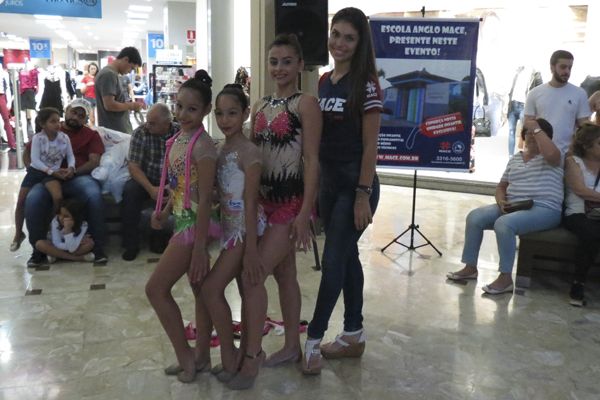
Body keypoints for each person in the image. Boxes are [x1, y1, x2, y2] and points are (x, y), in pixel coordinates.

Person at [229, 33, 321, 390]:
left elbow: (312, 160)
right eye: (273, 61)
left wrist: (305, 213)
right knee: (284, 275)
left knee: (253, 276)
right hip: (263, 203)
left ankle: (252, 354)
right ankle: (292, 347)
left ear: (300, 65)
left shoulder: (306, 104)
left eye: (286, 61)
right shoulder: (260, 105)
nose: (279, 68)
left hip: (290, 204)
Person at [302, 7, 383, 376]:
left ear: (360, 42)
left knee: (333, 261)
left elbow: (370, 147)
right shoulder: (323, 81)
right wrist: (316, 192)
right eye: (336, 34)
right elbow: (318, 144)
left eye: (349, 37)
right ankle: (354, 334)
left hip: (356, 184)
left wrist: (363, 196)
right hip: (330, 184)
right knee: (346, 257)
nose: (340, 43)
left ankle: (313, 340)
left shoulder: (366, 83)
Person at [145, 70, 220, 384]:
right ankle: (201, 357)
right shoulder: (177, 140)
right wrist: (163, 210)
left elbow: (204, 200)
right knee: (199, 290)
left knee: (155, 289)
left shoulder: (203, 147)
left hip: (194, 227)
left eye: (192, 108)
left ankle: (186, 357)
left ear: (205, 111)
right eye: (179, 106)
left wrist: (200, 246)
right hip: (182, 219)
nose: (182, 114)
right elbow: (179, 187)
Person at [447, 119, 564, 292]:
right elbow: (501, 187)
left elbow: (552, 156)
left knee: (504, 224)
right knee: (475, 217)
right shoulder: (515, 159)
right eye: (529, 133)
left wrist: (537, 129)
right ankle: (470, 267)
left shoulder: (555, 156)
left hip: (544, 208)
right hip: (515, 205)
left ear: (547, 137)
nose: (532, 136)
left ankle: (506, 278)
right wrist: (501, 201)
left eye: (537, 133)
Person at [201, 84, 265, 383]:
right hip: (228, 230)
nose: (225, 120)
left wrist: (251, 249)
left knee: (212, 288)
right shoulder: (219, 148)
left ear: (245, 114)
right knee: (240, 291)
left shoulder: (249, 152)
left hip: (243, 233)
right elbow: (223, 194)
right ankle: (239, 355)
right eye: (220, 114)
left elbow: (251, 203)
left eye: (232, 113)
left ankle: (232, 355)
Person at [23, 99, 108, 267]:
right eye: (73, 112)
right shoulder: (50, 127)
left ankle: (97, 248)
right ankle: (38, 250)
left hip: (77, 177)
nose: (75, 117)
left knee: (93, 195)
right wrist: (36, 173)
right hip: (47, 177)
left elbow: (94, 161)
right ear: (67, 110)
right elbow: (28, 154)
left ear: (86, 119)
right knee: (32, 199)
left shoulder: (91, 135)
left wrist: (73, 171)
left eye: (81, 116)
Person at [11, 108, 75, 252]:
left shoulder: (64, 138)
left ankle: (52, 229)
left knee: (57, 197)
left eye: (58, 120)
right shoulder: (38, 138)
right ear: (42, 123)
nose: (57, 124)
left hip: (52, 173)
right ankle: (18, 233)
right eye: (53, 121)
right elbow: (35, 160)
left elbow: (70, 156)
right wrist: (52, 171)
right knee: (21, 201)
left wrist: (71, 167)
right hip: (37, 171)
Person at [121, 103, 180, 261]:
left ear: (166, 124)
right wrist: (151, 189)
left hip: (172, 179)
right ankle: (130, 243)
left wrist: (171, 184)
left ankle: (161, 238)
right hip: (147, 178)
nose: (148, 126)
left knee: (173, 194)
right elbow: (133, 167)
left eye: (152, 123)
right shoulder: (140, 133)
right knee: (130, 191)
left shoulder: (180, 133)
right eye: (147, 121)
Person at [524, 50, 591, 153]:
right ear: (552, 67)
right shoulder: (534, 93)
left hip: (568, 154)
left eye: (570, 68)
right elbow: (527, 126)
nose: (567, 71)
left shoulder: (579, 93)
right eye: (563, 67)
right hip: (541, 153)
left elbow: (584, 128)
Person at [563, 122, 600, 306]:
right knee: (591, 234)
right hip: (578, 212)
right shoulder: (573, 161)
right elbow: (580, 190)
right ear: (587, 145)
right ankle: (578, 284)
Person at [95, 47, 143, 133]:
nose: (129, 72)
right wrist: (131, 106)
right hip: (115, 131)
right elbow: (109, 105)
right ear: (125, 59)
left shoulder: (111, 73)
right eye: (131, 68)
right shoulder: (108, 74)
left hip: (115, 129)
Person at [35, 198, 95, 264]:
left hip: (70, 246)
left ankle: (57, 255)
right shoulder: (56, 221)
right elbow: (57, 243)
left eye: (66, 216)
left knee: (90, 244)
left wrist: (68, 229)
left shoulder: (83, 225)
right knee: (39, 244)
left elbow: (72, 248)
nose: (61, 218)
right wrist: (77, 243)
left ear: (75, 217)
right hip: (57, 244)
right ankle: (77, 258)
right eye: (60, 214)